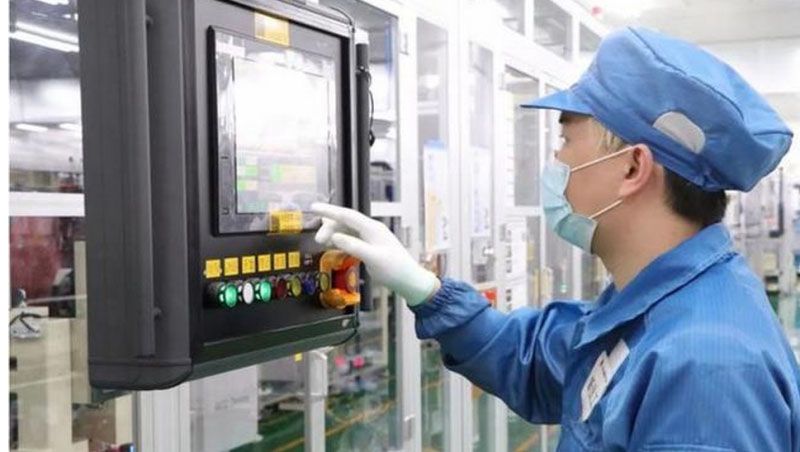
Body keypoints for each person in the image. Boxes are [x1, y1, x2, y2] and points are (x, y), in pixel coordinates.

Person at [311, 27, 799, 451]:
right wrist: (424, 288)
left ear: (633, 168)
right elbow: (536, 362)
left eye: (565, 141)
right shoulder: (652, 306)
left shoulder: (705, 369)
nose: (555, 162)